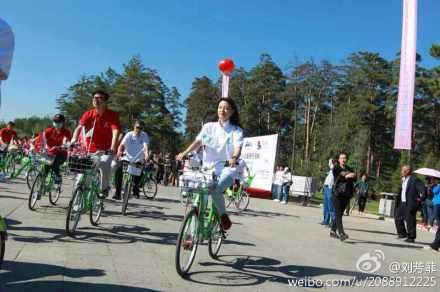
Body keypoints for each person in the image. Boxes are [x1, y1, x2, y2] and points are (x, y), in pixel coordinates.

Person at [177, 97, 243, 231]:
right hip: (207, 168)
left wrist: (234, 157)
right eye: (220, 107)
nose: (222, 110)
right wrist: (184, 152)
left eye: (226, 108)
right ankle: (190, 235)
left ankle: (223, 215)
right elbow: (198, 142)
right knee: (199, 196)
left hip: (227, 168)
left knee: (216, 189)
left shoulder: (236, 130)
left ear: (232, 111)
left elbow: (238, 147)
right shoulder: (208, 127)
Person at [70, 90, 121, 198]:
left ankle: (104, 188)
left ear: (105, 101)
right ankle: (78, 201)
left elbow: (115, 131)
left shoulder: (112, 115)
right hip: (89, 149)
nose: (96, 100)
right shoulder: (88, 114)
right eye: (94, 98)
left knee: (104, 165)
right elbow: (79, 128)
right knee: (82, 176)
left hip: (105, 149)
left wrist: (112, 147)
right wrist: (73, 140)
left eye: (100, 98)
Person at [113, 120, 150, 200]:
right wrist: (119, 151)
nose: (138, 130)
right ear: (134, 127)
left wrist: (146, 154)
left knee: (138, 175)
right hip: (127, 158)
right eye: (137, 127)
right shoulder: (129, 134)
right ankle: (117, 193)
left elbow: (145, 146)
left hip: (138, 159)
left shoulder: (144, 135)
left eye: (141, 128)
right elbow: (122, 145)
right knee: (118, 171)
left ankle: (135, 190)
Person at [34, 114, 72, 184]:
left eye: (59, 122)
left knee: (54, 163)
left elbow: (68, 142)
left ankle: (58, 176)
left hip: (61, 154)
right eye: (55, 121)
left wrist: (63, 146)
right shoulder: (49, 130)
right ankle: (40, 188)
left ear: (63, 123)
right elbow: (41, 139)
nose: (57, 123)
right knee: (45, 168)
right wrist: (39, 146)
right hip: (50, 153)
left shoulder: (66, 132)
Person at [394, 165, 426, 243]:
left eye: (402, 170)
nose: (401, 172)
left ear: (407, 171)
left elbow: (423, 190)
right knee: (397, 217)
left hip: (410, 203)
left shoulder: (414, 179)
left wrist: (420, 199)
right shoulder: (404, 179)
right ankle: (402, 233)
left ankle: (411, 237)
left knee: (410, 220)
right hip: (402, 202)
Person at [330, 152, 356, 241]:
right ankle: (341, 233)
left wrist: (349, 175)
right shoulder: (336, 167)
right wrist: (347, 175)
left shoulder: (349, 168)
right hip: (337, 193)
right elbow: (340, 176)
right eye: (342, 158)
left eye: (345, 158)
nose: (343, 160)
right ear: (339, 159)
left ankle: (333, 231)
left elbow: (354, 177)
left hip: (346, 194)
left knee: (340, 213)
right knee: (338, 213)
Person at [425, 178, 440, 251]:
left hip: (438, 205)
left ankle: (435, 245)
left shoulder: (438, 186)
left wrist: (433, 186)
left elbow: (434, 191)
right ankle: (436, 244)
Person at [320, 158, 336, 226]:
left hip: (330, 188)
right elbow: (326, 174)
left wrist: (332, 163)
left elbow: (333, 169)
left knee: (331, 206)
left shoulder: (335, 169)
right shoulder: (330, 171)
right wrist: (321, 170)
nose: (329, 163)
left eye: (330, 162)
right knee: (326, 205)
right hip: (326, 187)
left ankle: (333, 222)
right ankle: (326, 220)